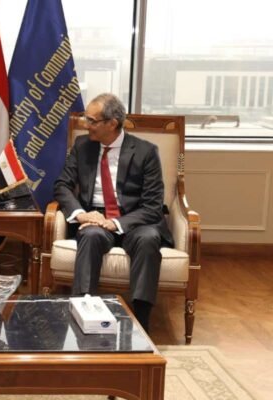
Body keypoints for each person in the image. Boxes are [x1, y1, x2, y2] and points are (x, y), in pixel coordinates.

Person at [53, 93, 174, 332]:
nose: (86, 125)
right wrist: (81, 214)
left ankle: (140, 322)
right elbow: (62, 186)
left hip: (136, 220)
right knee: (89, 235)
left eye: (92, 120)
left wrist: (116, 223)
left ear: (112, 123)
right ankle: (82, 312)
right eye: (85, 118)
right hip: (95, 217)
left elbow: (152, 206)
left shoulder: (146, 152)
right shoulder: (82, 146)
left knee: (149, 239)